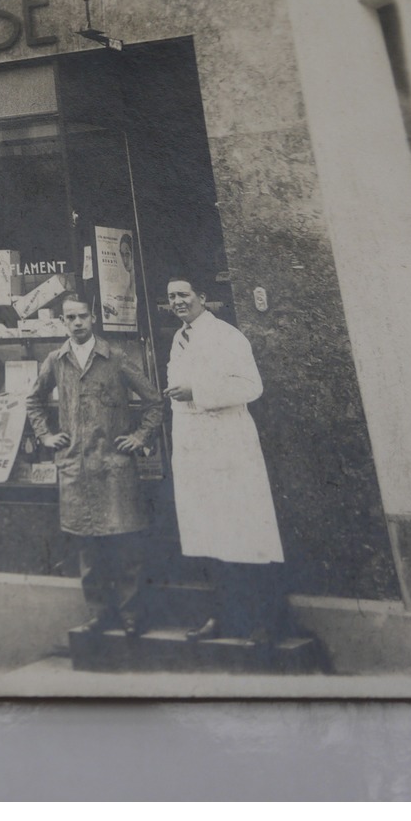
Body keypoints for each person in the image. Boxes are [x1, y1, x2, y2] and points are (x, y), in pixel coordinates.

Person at [163, 275, 289, 645]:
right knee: (210, 536)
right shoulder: (179, 338)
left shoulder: (228, 336)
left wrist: (196, 391)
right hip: (195, 449)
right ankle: (221, 616)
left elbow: (252, 386)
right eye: (171, 297)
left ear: (202, 296)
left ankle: (263, 622)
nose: (178, 301)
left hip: (229, 448)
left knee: (246, 533)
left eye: (184, 294)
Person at [26, 295, 163, 636]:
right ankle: (100, 614)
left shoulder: (116, 357)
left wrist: (139, 438)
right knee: (89, 549)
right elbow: (33, 400)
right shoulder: (56, 360)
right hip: (77, 467)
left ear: (94, 318)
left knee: (126, 546)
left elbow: (154, 402)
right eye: (70, 318)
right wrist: (45, 436)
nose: (77, 323)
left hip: (114, 466)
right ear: (63, 322)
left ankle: (133, 616)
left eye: (83, 316)